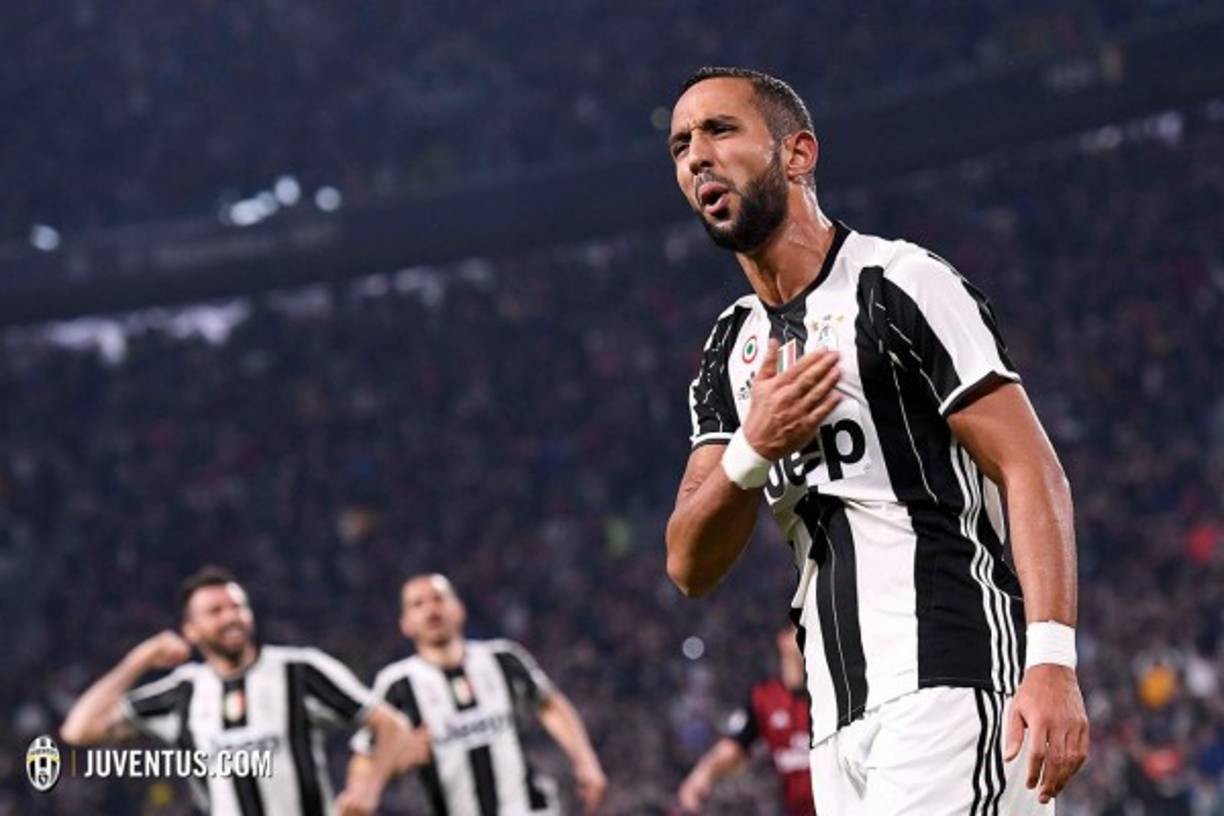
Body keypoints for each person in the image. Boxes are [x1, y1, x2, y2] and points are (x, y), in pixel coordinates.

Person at [663, 66, 1089, 815]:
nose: (696, 154)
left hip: (952, 679)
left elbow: (1031, 470)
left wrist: (1052, 659)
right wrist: (752, 447)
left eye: (720, 130)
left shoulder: (902, 284)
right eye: (679, 144)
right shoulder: (731, 346)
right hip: (837, 723)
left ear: (797, 154)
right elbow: (688, 562)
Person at [60, 566, 415, 816]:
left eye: (237, 606)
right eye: (215, 611)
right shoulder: (180, 694)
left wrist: (367, 790)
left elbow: (392, 725)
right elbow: (78, 730)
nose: (231, 617)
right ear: (192, 630)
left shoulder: (300, 671)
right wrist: (140, 659)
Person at [349, 573, 607, 815]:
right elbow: (365, 759)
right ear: (405, 624)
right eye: (418, 604)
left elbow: (549, 703)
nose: (431, 609)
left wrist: (585, 761)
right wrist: (396, 762)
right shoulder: (396, 684)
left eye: (439, 598)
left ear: (459, 609)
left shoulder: (503, 658)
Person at [678, 625, 815, 815]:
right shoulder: (764, 698)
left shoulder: (835, 694)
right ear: (783, 640)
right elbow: (735, 746)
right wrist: (703, 773)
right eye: (801, 631)